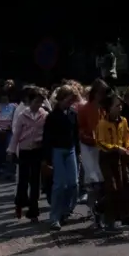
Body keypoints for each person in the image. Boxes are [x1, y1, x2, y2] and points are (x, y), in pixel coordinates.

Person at [43, 84, 81, 231]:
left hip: (70, 150)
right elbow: (47, 138)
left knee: (74, 183)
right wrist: (47, 159)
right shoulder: (52, 116)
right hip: (57, 150)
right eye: (68, 99)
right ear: (61, 99)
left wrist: (78, 151)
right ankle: (54, 217)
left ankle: (66, 209)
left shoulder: (72, 114)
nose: (70, 102)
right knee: (59, 185)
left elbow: (75, 134)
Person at [95, 92, 129, 232]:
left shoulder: (123, 121)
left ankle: (121, 216)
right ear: (109, 108)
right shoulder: (102, 123)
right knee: (112, 188)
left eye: (120, 106)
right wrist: (117, 148)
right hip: (107, 157)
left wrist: (128, 148)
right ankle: (102, 211)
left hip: (120, 156)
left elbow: (127, 136)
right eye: (117, 106)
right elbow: (100, 142)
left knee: (123, 186)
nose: (120, 108)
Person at [8, 89, 47, 222]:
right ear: (29, 102)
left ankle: (34, 210)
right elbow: (16, 135)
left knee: (36, 181)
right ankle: (19, 203)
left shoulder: (44, 115)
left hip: (37, 151)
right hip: (24, 150)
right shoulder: (22, 115)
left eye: (40, 102)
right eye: (36, 102)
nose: (38, 105)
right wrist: (11, 151)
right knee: (23, 180)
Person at [77, 78, 108, 221]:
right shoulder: (84, 108)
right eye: (100, 93)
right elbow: (80, 129)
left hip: (101, 147)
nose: (102, 96)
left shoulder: (104, 109)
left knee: (101, 179)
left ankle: (99, 208)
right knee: (93, 179)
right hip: (88, 146)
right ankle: (91, 209)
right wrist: (88, 137)